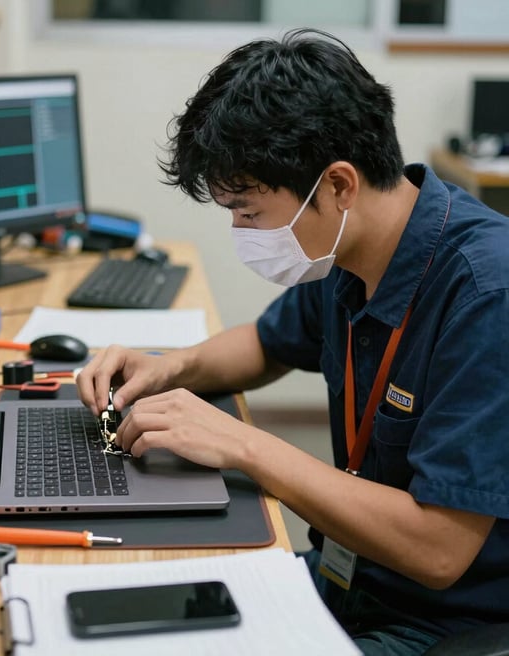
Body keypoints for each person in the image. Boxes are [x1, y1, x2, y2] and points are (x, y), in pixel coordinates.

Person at [76, 28, 509, 655]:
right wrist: (167, 370)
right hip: (347, 579)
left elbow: (439, 550)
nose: (241, 231)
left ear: (337, 186)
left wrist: (245, 445)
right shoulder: (355, 250)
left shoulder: (484, 295)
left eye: (250, 212)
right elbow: (267, 344)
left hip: (438, 624)